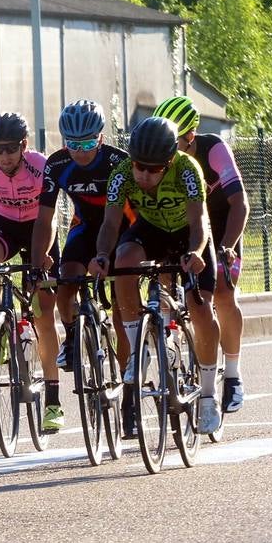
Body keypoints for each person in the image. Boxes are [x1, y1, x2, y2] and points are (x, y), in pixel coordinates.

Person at [88, 116, 223, 434]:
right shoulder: (122, 174)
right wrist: (102, 255)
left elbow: (199, 221)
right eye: (139, 167)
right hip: (153, 230)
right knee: (124, 259)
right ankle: (138, 351)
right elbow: (110, 224)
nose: (144, 175)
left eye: (153, 169)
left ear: (170, 161)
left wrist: (196, 252)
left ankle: (208, 396)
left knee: (200, 308)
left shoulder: (188, 169)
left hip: (189, 235)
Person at [29, 99, 136, 437]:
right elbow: (44, 219)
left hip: (121, 230)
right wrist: (36, 263)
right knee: (66, 284)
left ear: (101, 138)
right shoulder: (57, 164)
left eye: (88, 144)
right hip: (85, 228)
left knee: (121, 317)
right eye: (73, 144)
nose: (80, 152)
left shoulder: (119, 161)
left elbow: (136, 211)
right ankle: (74, 334)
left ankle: (130, 397)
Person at [152, 95, 249, 413]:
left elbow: (240, 204)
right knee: (164, 282)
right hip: (187, 228)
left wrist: (228, 246)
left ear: (190, 137)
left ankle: (232, 375)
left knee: (222, 292)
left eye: (173, 141)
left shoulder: (214, 149)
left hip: (222, 228)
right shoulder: (163, 159)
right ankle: (172, 348)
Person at [0, 112, 62, 432]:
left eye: (11, 148)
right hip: (6, 225)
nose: (5, 156)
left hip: (41, 227)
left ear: (24, 145)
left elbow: (50, 217)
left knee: (44, 315)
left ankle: (53, 402)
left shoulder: (40, 166)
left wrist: (42, 259)